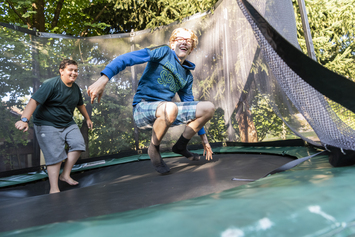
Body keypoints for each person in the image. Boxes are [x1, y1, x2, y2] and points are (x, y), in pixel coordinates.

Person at [87, 28, 215, 174]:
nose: (184, 42)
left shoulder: (186, 75)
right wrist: (104, 78)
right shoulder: (163, 52)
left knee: (208, 108)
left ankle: (180, 146)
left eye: (188, 41)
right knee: (170, 107)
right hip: (143, 108)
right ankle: (153, 148)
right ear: (172, 44)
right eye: (180, 39)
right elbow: (126, 58)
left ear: (191, 48)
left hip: (166, 112)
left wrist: (204, 139)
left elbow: (192, 106)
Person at [15, 59, 93, 194]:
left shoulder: (75, 88)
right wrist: (24, 119)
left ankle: (65, 175)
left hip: (67, 122)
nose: (74, 73)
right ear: (61, 71)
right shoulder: (51, 84)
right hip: (46, 123)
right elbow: (34, 101)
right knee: (55, 155)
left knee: (79, 144)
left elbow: (80, 104)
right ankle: (54, 189)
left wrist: (87, 118)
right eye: (71, 70)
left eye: (76, 70)